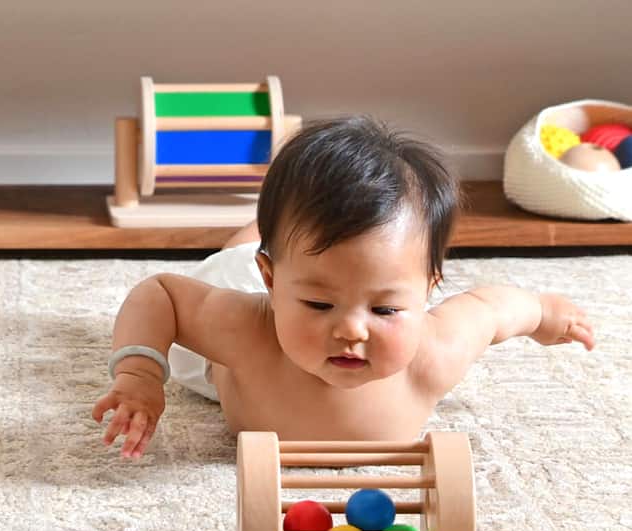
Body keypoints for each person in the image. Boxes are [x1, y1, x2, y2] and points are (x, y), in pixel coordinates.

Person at [92, 116, 595, 459]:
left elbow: (490, 310)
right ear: (272, 281)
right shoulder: (244, 327)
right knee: (233, 259)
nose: (352, 330)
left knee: (301, 256)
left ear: (427, 291)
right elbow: (160, 292)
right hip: (238, 312)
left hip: (290, 271)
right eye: (320, 304)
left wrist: (542, 313)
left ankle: (276, 246)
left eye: (385, 310)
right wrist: (139, 374)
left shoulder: (434, 351)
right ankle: (258, 241)